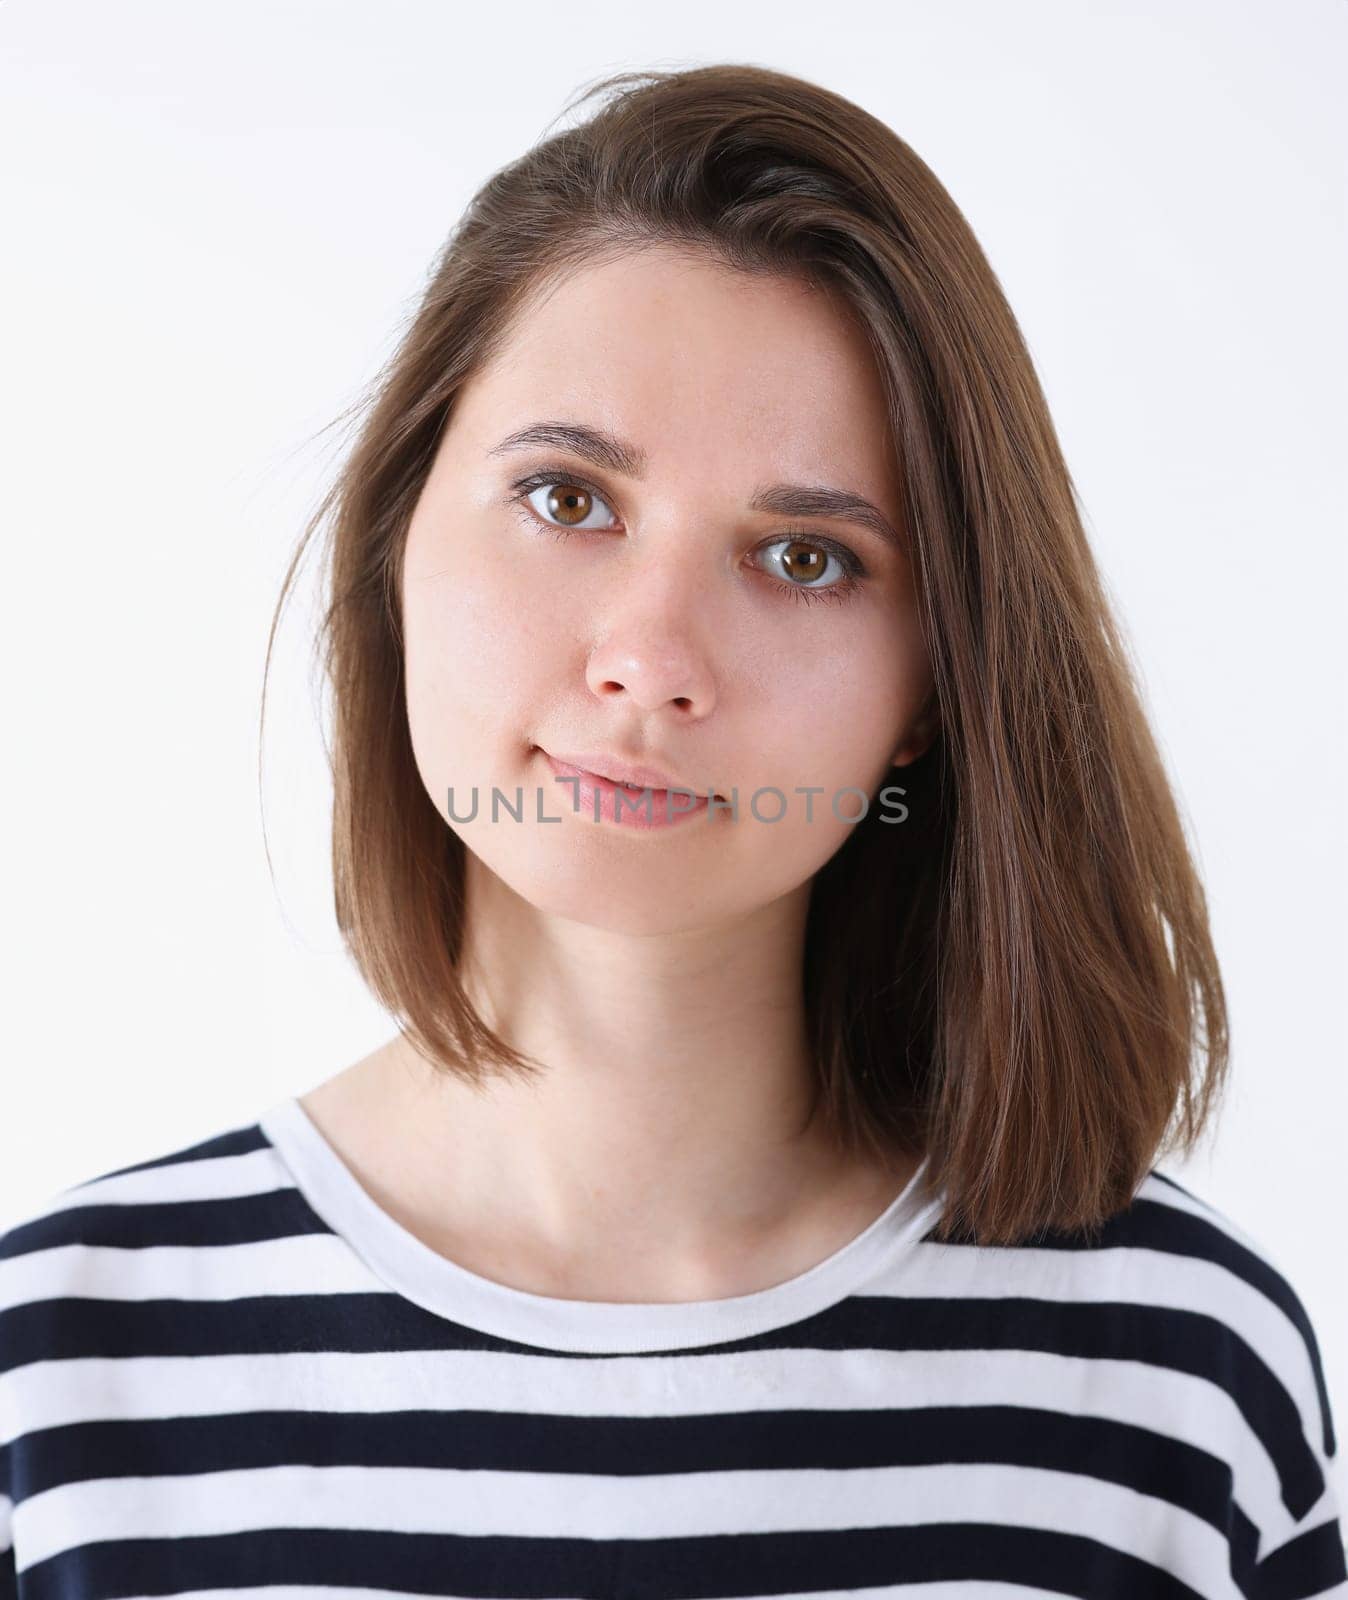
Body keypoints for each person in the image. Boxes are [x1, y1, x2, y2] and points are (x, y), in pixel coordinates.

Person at [1, 61, 1342, 1598]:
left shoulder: (1171, 1375)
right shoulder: (62, 1373)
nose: (651, 659)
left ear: (933, 685)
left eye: (803, 556)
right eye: (568, 500)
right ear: (396, 538)